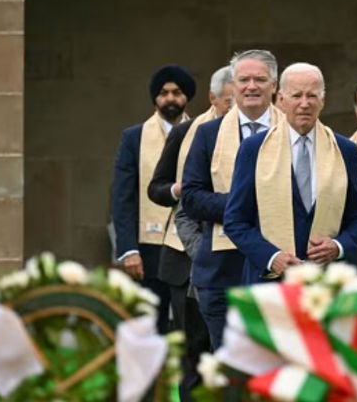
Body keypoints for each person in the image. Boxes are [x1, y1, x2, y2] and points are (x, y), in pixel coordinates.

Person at [223, 62, 357, 284]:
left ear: (322, 101)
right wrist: (272, 257)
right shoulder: (254, 149)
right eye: (297, 96)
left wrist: (337, 247)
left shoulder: (345, 150)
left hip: (327, 284)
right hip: (269, 282)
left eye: (312, 96)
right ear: (281, 100)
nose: (304, 104)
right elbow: (235, 221)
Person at [181, 50, 282, 348]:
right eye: (244, 79)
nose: (252, 86)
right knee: (231, 374)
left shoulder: (293, 132)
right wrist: (245, 206)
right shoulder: (207, 134)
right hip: (221, 273)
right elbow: (191, 198)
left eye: (260, 79)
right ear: (234, 85)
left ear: (274, 86)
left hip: (277, 266)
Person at [146, 65, 232, 400]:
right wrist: (182, 189)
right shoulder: (188, 133)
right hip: (187, 257)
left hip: (236, 256)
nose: (234, 107)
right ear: (213, 98)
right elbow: (156, 187)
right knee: (194, 349)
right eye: (228, 101)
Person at [111, 64, 195, 333]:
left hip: (189, 245)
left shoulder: (202, 132)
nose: (170, 98)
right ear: (154, 98)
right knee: (148, 328)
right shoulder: (133, 138)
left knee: (190, 326)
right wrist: (128, 249)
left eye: (177, 92)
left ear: (187, 97)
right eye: (163, 93)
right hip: (148, 249)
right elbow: (123, 197)